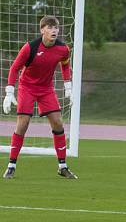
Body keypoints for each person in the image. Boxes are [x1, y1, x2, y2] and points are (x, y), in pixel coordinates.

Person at [1, 15, 77, 179]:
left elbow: (65, 64)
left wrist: (68, 86)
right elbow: (14, 68)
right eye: (49, 27)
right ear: (42, 30)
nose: (53, 30)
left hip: (46, 89)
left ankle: (62, 167)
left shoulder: (63, 49)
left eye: (56, 27)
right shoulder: (30, 48)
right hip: (27, 87)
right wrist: (9, 92)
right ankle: (11, 166)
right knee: (23, 123)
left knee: (57, 122)